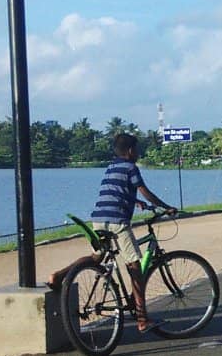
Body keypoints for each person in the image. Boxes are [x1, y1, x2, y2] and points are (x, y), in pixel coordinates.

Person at [48, 132, 175, 332]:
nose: (139, 153)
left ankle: (60, 275)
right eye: (138, 150)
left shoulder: (111, 167)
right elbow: (144, 190)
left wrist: (135, 202)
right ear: (131, 151)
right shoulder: (131, 167)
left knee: (97, 257)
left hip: (98, 220)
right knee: (135, 266)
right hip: (118, 222)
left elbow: (116, 191)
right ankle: (143, 319)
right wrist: (166, 206)